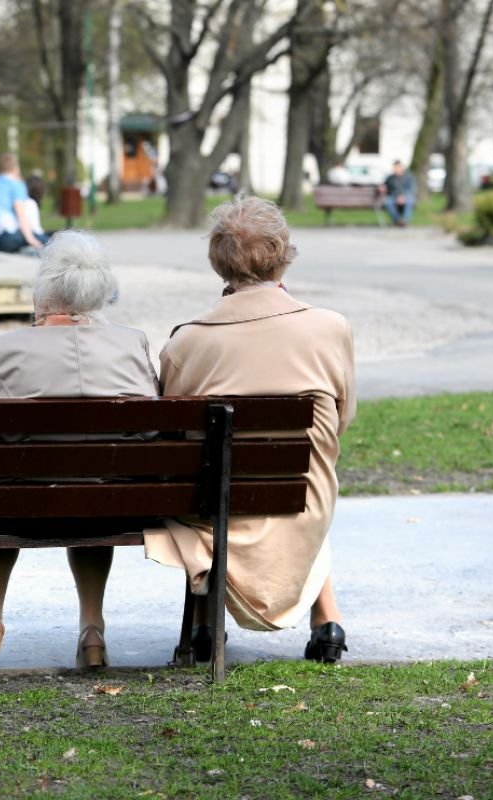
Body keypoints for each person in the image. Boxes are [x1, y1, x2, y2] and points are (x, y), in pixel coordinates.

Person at [144, 195, 355, 664]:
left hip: (216, 513)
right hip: (302, 504)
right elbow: (341, 420)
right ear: (284, 255)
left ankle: (204, 623)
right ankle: (328, 619)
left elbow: (177, 440)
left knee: (207, 478)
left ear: (218, 263)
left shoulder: (187, 341)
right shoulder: (330, 328)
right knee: (297, 473)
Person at [0, 231, 158, 671]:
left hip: (23, 508)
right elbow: (149, 434)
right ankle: (92, 628)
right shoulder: (133, 344)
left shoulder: (8, 348)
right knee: (93, 484)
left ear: (46, 287)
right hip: (114, 508)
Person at [0, 153, 46, 253]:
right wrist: (30, 239)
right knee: (47, 240)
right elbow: (20, 213)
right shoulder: (16, 184)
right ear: (15, 167)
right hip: (9, 236)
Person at [383, 160, 416, 227]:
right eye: (395, 168)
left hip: (405, 196)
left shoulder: (408, 177)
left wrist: (402, 196)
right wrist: (382, 188)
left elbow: (410, 189)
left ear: (401, 168)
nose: (396, 169)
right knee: (388, 202)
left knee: (409, 200)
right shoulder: (390, 178)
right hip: (393, 196)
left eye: (397, 167)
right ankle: (398, 220)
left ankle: (405, 220)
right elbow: (385, 186)